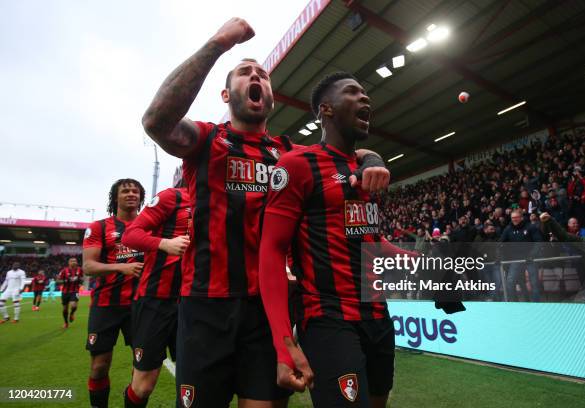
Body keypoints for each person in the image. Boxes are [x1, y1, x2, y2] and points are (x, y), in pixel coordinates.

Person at [142, 18, 389, 408]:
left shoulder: (290, 154)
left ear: (271, 96)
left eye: (263, 75)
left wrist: (372, 156)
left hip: (267, 309)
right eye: (245, 73)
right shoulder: (207, 139)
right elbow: (156, 121)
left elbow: (348, 156)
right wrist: (218, 44)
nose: (256, 75)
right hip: (206, 305)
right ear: (226, 95)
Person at [259, 72, 396, 408]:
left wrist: (434, 271)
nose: (365, 98)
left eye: (366, 93)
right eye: (353, 92)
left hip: (378, 317)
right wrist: (283, 343)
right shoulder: (298, 165)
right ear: (326, 110)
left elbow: (374, 246)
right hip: (328, 319)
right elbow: (271, 253)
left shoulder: (368, 172)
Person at [121, 175, 190, 408]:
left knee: (194, 380)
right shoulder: (173, 196)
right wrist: (165, 244)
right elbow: (130, 234)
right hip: (156, 301)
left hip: (196, 304)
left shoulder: (217, 201)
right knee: (143, 386)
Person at [83, 179, 145, 408]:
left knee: (141, 366)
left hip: (141, 305)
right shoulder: (99, 227)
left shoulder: (150, 226)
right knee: (99, 366)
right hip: (105, 305)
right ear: (115, 197)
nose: (131, 194)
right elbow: (89, 267)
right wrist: (122, 267)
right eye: (125, 190)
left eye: (135, 191)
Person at [500, 209, 543, 301]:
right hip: (515, 260)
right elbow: (501, 244)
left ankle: (537, 305)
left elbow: (538, 242)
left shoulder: (531, 227)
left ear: (521, 217)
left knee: (534, 283)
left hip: (530, 260)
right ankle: (515, 304)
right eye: (512, 218)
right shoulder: (508, 229)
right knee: (510, 282)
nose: (514, 219)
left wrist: (532, 255)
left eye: (516, 217)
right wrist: (500, 257)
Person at [57, 257, 84, 328]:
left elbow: (82, 278)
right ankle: (66, 322)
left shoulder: (80, 270)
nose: (73, 262)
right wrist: (65, 281)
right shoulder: (64, 270)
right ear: (69, 263)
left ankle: (72, 314)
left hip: (75, 291)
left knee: (74, 305)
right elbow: (58, 281)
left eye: (75, 261)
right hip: (65, 292)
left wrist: (80, 281)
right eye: (72, 261)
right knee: (65, 308)